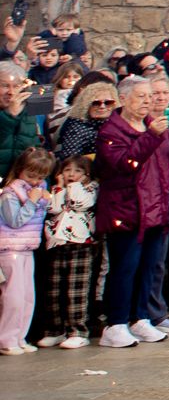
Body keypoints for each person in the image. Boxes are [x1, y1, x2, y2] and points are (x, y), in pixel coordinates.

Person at [95, 77, 169, 348]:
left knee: (150, 269)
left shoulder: (157, 127)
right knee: (124, 268)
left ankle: (140, 318)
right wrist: (151, 135)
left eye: (149, 96)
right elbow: (123, 164)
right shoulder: (111, 131)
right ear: (124, 99)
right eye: (140, 96)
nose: (147, 101)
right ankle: (116, 322)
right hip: (127, 209)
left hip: (157, 208)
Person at [34, 154, 99, 349]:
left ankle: (78, 330)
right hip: (57, 243)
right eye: (67, 170)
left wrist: (74, 185)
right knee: (54, 289)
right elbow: (53, 208)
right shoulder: (57, 189)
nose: (72, 174)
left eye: (78, 171)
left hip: (81, 243)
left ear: (87, 174)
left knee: (75, 290)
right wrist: (60, 186)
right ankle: (55, 330)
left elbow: (81, 203)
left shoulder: (90, 188)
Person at [0, 147, 56, 353]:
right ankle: (7, 339)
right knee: (13, 296)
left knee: (27, 295)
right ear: (20, 170)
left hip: (27, 248)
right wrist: (33, 200)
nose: (35, 181)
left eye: (40, 177)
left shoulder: (38, 190)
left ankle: (20, 336)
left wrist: (45, 200)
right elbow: (15, 221)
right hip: (9, 249)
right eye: (30, 175)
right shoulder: (10, 193)